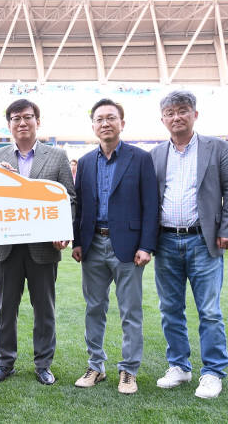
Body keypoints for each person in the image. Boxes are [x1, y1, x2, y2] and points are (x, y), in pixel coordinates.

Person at [150, 90, 228, 399]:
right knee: (170, 309)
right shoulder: (157, 154)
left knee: (209, 310)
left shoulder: (217, 149)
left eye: (183, 110)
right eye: (170, 112)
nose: (176, 116)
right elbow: (150, 201)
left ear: (195, 114)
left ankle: (213, 372)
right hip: (165, 241)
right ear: (163, 119)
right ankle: (179, 366)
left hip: (204, 240)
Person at [0, 99, 75, 386]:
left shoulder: (57, 157)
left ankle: (43, 364)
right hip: (7, 246)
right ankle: (4, 362)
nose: (22, 123)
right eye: (15, 118)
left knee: (44, 309)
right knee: (5, 309)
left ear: (38, 120)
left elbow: (68, 198)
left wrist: (63, 229)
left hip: (43, 247)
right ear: (8, 124)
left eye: (27, 117)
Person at [71, 99, 158, 394]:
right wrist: (78, 241)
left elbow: (151, 205)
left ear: (122, 122)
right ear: (93, 125)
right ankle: (96, 366)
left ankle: (129, 370)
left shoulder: (140, 158)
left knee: (130, 311)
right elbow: (80, 206)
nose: (105, 123)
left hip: (129, 248)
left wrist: (146, 245)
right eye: (99, 119)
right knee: (94, 308)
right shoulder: (84, 162)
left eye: (111, 118)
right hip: (93, 245)